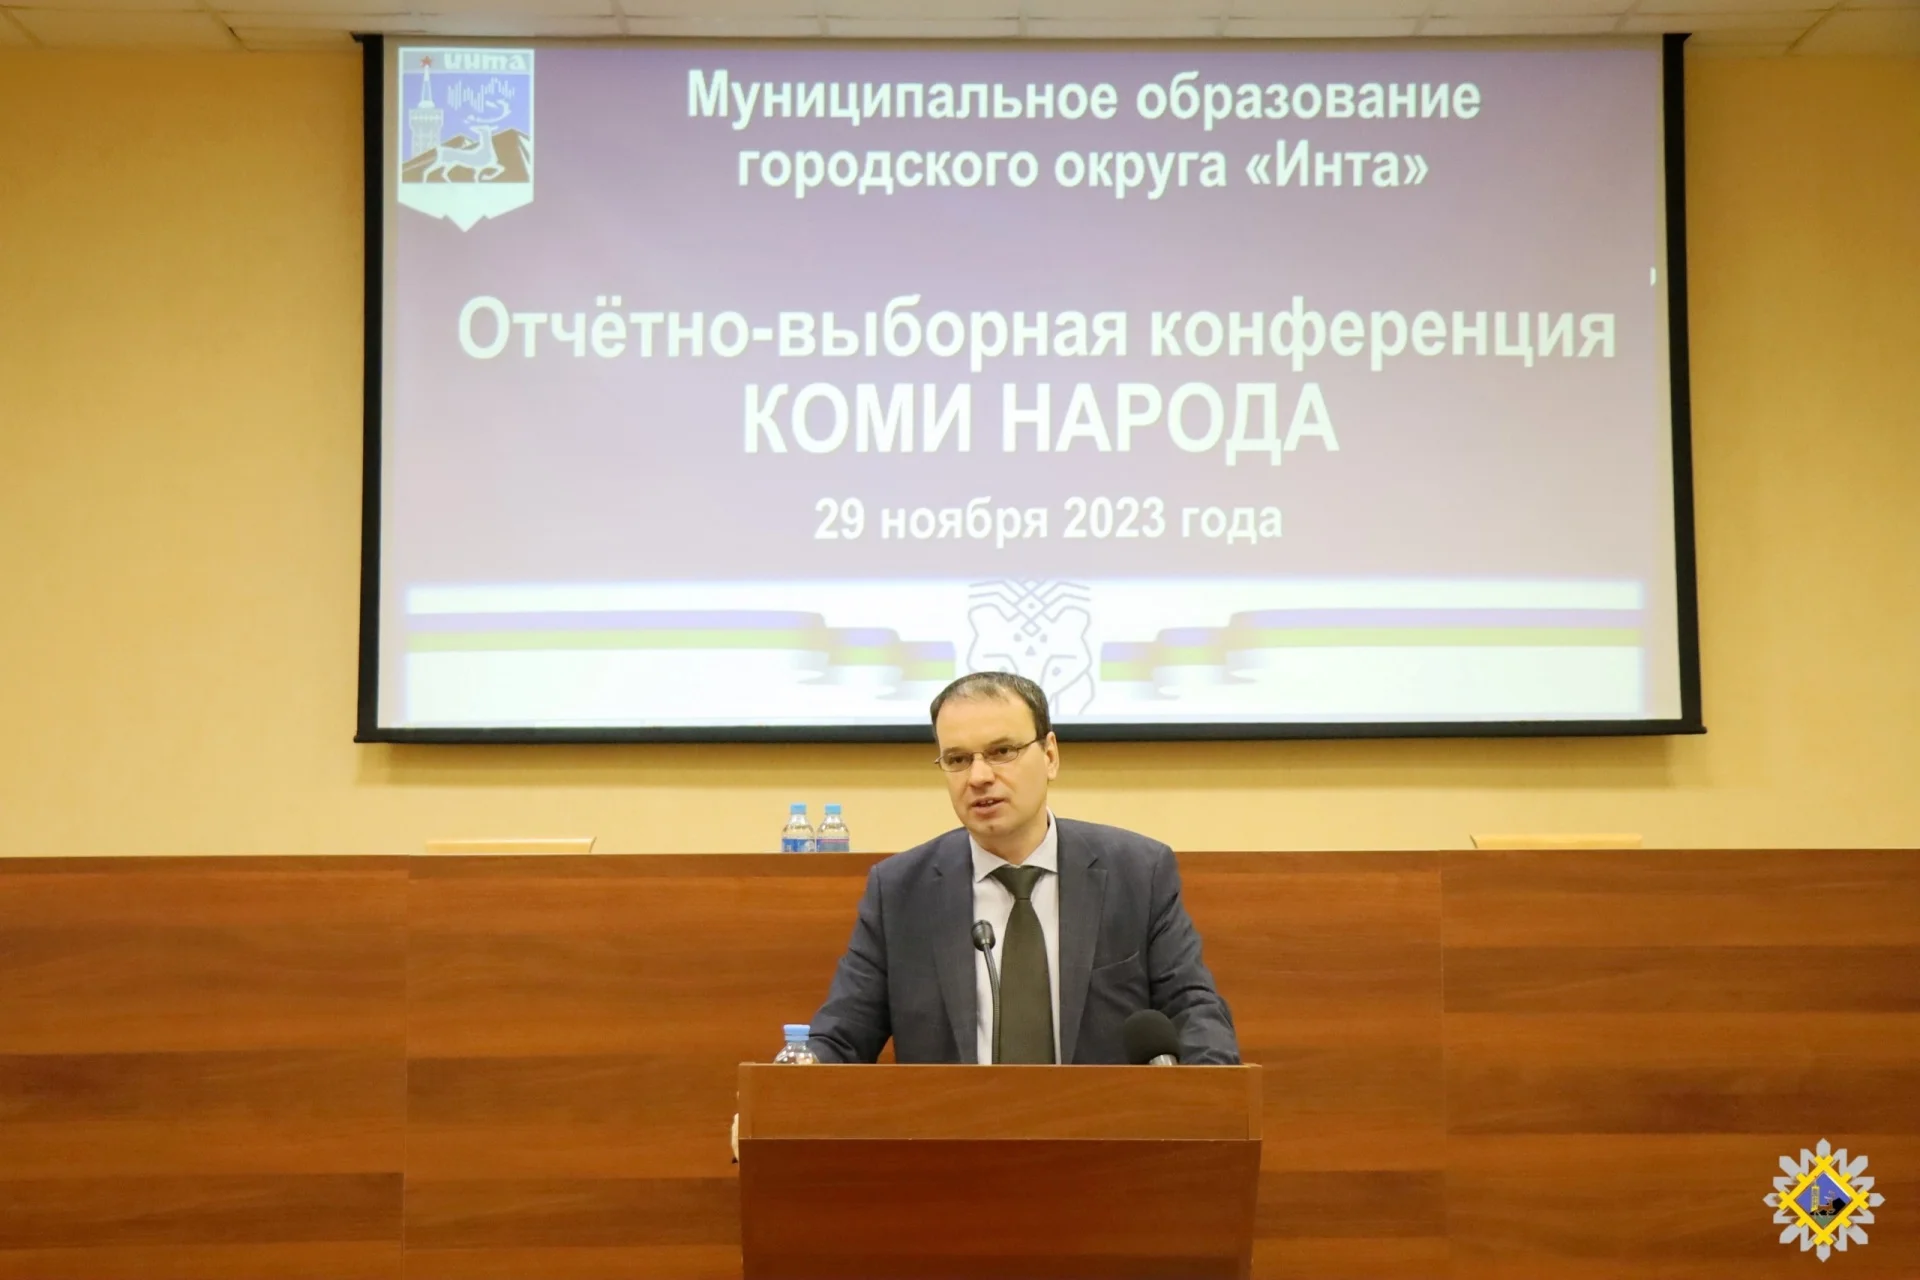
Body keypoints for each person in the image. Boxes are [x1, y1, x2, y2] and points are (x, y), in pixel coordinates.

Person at [806, 671, 1239, 1065]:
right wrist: (793, 1077)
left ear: (1050, 755)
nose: (978, 777)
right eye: (957, 759)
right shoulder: (900, 891)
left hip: (1105, 1123)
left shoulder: (1138, 873)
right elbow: (841, 1035)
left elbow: (1193, 1010)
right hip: (954, 1125)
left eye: (1002, 752)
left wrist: (1212, 1095)